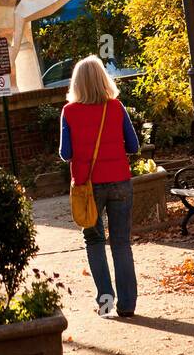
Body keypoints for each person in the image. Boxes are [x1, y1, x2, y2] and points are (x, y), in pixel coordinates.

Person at [59, 55, 140, 318]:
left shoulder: (69, 112)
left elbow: (65, 153)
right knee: (121, 243)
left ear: (77, 83)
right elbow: (134, 146)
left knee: (94, 241)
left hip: (88, 186)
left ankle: (105, 302)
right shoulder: (115, 107)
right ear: (103, 78)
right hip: (119, 180)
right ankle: (127, 305)